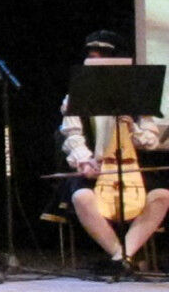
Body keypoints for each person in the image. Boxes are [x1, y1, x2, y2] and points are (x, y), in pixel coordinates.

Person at [57, 30, 169, 274]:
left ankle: (121, 259)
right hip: (96, 167)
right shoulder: (77, 95)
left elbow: (151, 140)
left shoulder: (136, 96)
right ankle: (120, 255)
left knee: (162, 196)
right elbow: (71, 133)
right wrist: (84, 161)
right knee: (82, 197)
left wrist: (133, 129)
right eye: (92, 59)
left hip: (130, 169)